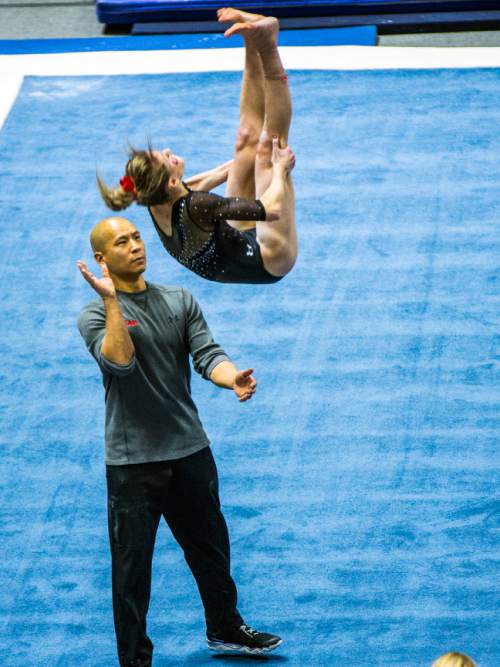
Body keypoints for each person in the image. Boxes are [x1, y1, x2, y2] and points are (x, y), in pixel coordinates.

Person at [76, 216, 282, 666]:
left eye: (136, 237)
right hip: (132, 463)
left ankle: (225, 628)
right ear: (101, 259)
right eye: (121, 242)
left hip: (190, 450)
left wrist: (233, 380)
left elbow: (208, 355)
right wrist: (112, 301)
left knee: (211, 549)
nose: (135, 246)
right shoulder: (93, 315)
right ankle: (134, 659)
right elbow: (121, 364)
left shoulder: (178, 299)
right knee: (132, 572)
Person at [97, 9, 296, 285]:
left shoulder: (152, 197)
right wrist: (280, 171)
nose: (168, 151)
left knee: (245, 139)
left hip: (235, 239)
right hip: (268, 259)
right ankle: (269, 47)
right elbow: (271, 208)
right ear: (172, 181)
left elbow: (207, 178)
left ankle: (252, 38)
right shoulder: (199, 204)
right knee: (268, 152)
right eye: (166, 158)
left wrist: (239, 161)